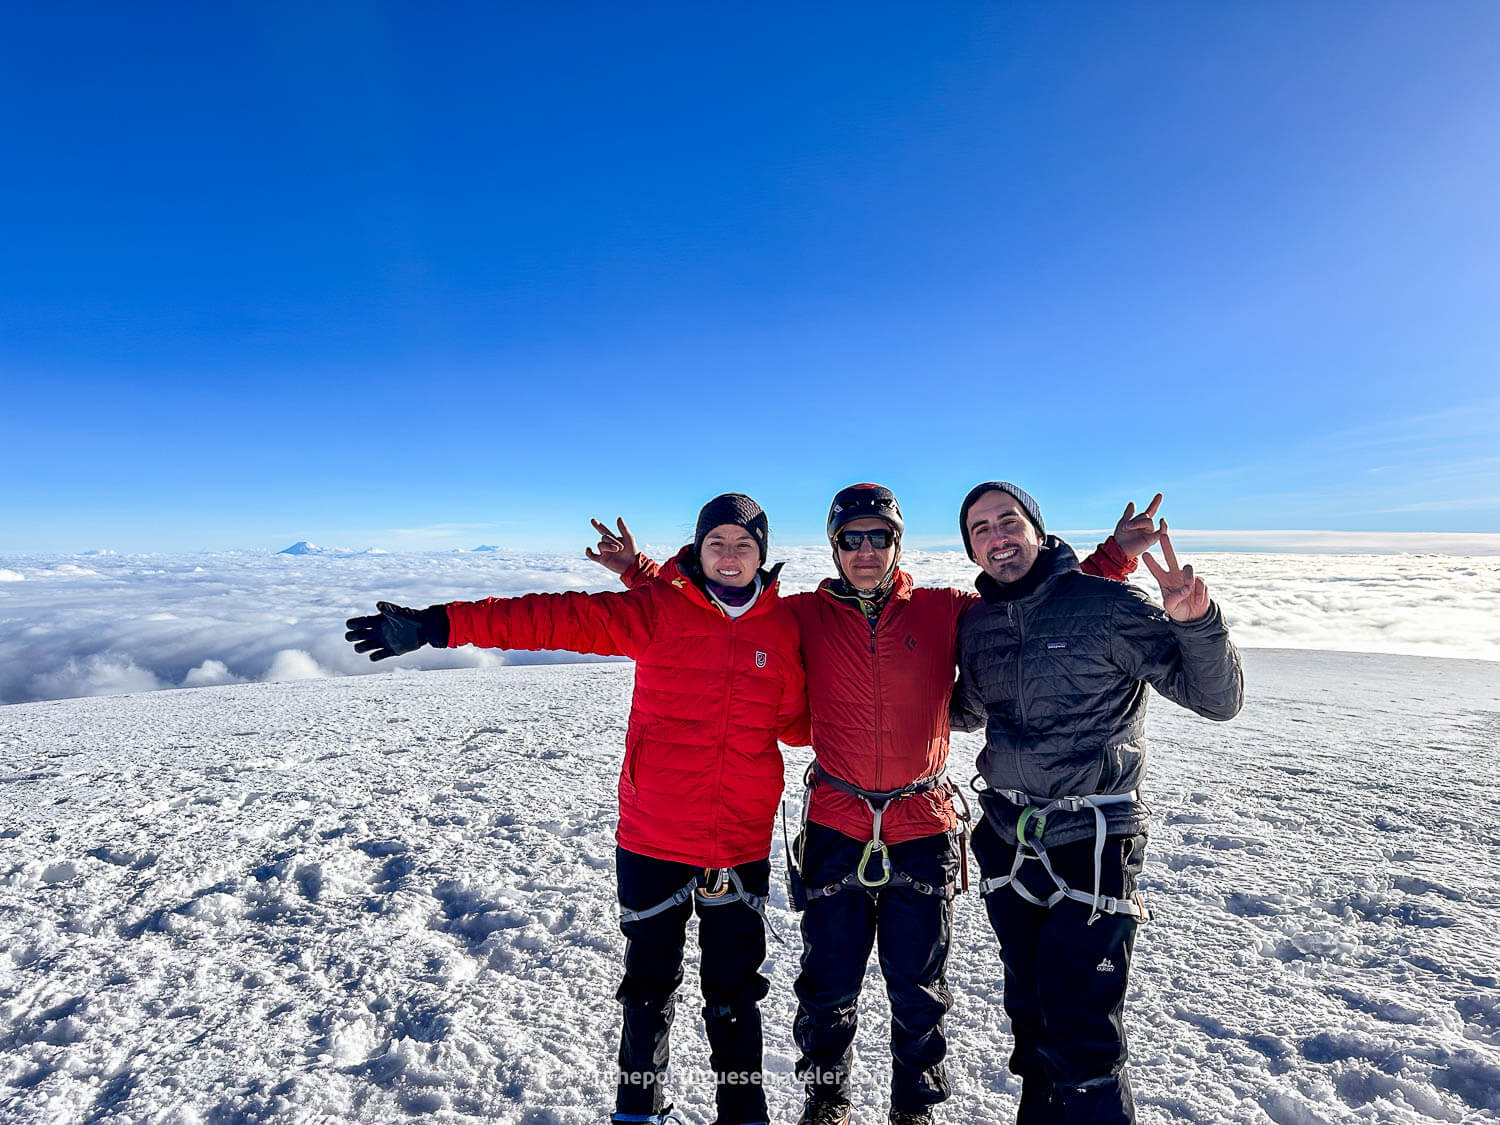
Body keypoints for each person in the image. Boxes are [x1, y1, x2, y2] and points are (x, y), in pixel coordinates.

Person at [589, 485, 1160, 1125]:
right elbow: (722, 598)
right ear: (834, 546)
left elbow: (1033, 600)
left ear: (898, 542)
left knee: (918, 987)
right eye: (851, 538)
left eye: (879, 536)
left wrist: (1113, 557)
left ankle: (914, 1106)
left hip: (923, 821)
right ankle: (828, 1100)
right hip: (838, 819)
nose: (866, 550)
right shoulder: (802, 614)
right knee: (829, 984)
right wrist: (640, 575)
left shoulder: (945, 610)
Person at [345, 493, 809, 1125]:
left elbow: (800, 718)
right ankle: (638, 1109)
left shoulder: (784, 627)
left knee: (734, 992)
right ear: (697, 551)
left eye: (745, 546)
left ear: (764, 554)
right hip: (655, 833)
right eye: (717, 544)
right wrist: (437, 624)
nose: (730, 557)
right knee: (648, 988)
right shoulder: (654, 610)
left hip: (741, 838)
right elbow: (549, 618)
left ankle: (744, 1112)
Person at [951, 482, 1243, 1125]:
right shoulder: (979, 624)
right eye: (980, 529)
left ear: (1036, 527)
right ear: (971, 547)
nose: (996, 537)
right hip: (1007, 837)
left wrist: (1195, 622)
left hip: (1094, 840)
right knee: (1029, 1012)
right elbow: (965, 710)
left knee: (1081, 1025)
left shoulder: (1107, 605)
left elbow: (1217, 700)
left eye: (1008, 522)